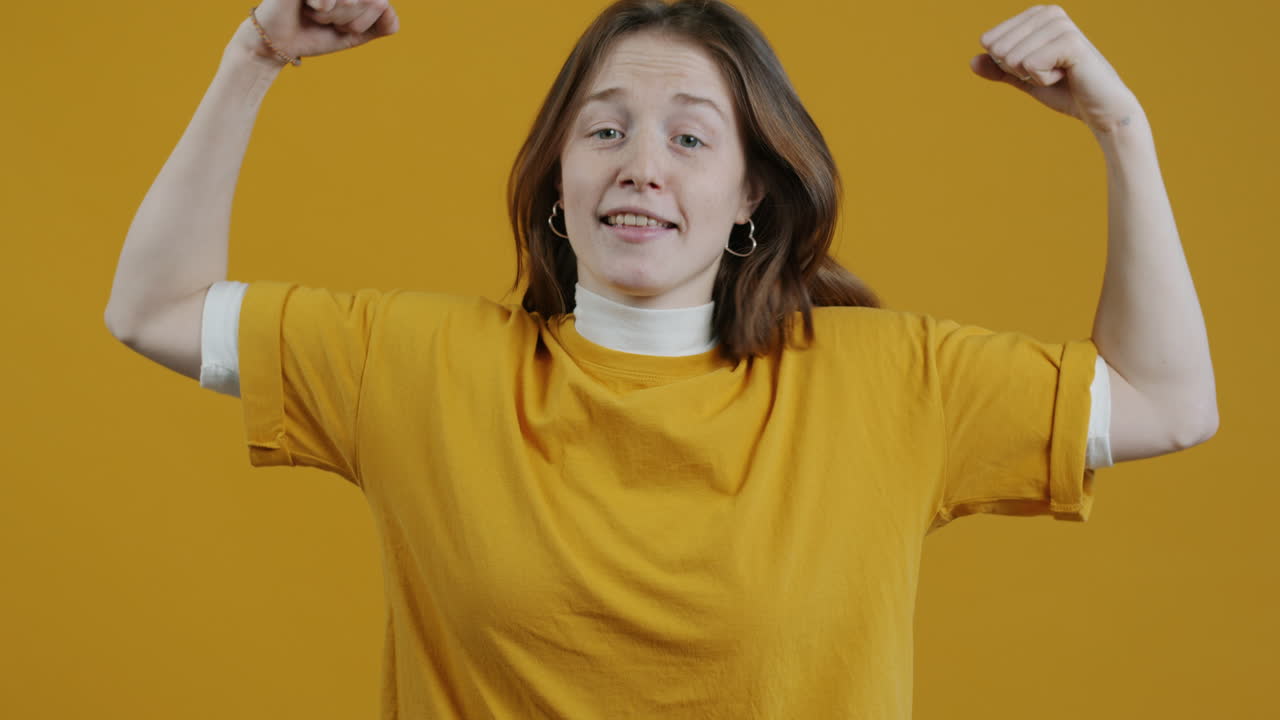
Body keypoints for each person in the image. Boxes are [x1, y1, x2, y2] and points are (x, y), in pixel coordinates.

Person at [105, 0, 1218, 717]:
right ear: (556, 181)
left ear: (748, 193)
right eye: (604, 130)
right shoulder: (414, 365)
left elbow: (1166, 401)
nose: (641, 164)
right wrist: (253, 57)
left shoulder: (888, 383)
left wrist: (1121, 129)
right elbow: (153, 307)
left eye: (689, 137)